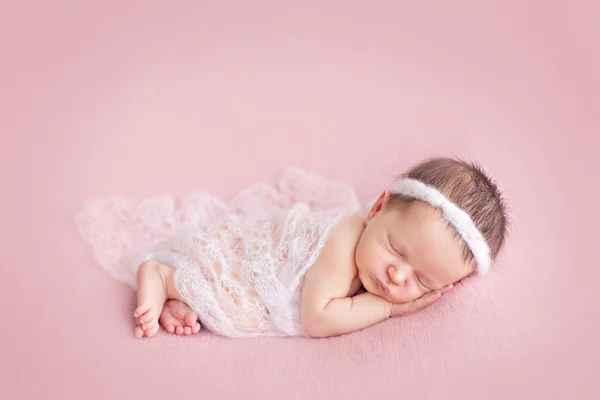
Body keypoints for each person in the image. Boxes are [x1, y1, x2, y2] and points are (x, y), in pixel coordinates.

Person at [76, 157, 509, 339]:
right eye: (396, 250)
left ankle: (181, 297)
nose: (397, 275)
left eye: (422, 280)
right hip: (245, 255)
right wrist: (392, 309)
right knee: (236, 292)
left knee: (221, 308)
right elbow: (318, 318)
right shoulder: (344, 243)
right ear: (377, 208)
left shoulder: (375, 257)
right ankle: (165, 274)